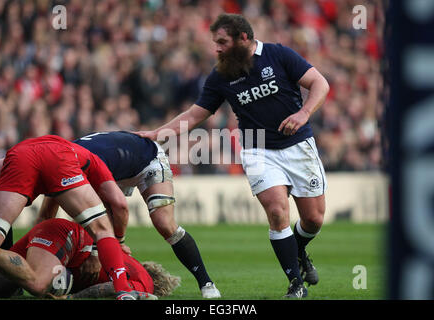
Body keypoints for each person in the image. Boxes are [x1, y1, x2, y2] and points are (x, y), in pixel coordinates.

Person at [136, 13, 329, 298]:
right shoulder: (221, 75)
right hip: (256, 146)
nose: (217, 48)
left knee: (313, 219)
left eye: (222, 42)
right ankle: (296, 284)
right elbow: (195, 114)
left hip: (297, 143)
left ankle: (298, 249)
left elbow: (320, 84)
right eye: (215, 42)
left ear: (244, 38)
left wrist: (303, 113)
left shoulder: (278, 55)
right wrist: (158, 133)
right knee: (277, 212)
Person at [37, 130, 220, 299]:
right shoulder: (58, 163)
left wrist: (113, 245)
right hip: (115, 161)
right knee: (81, 218)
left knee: (164, 223)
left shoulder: (77, 165)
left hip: (146, 159)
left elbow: (116, 208)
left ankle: (206, 283)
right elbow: (45, 215)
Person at [0, 135, 145, 300]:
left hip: (20, 153)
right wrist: (119, 241)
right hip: (60, 156)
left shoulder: (29, 151)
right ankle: (124, 291)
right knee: (102, 229)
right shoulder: (92, 159)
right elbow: (120, 204)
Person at [0, 218, 180, 299]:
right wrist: (71, 298)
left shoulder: (129, 263)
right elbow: (115, 288)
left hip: (61, 235)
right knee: (37, 285)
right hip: (67, 238)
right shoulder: (144, 284)